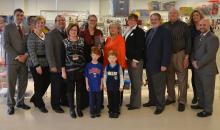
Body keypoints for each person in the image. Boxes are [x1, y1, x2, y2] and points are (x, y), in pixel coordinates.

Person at [143, 13, 172, 115]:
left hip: (159, 64)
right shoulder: (149, 31)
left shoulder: (165, 32)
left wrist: (164, 64)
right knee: (151, 84)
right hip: (149, 64)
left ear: (160, 20)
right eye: (152, 19)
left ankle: (160, 105)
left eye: (155, 19)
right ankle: (152, 101)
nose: (153, 21)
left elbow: (167, 49)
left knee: (159, 86)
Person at [163, 8, 191, 112]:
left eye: (174, 13)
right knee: (169, 77)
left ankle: (182, 101)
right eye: (170, 13)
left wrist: (187, 56)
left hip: (180, 54)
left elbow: (188, 40)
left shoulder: (184, 26)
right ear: (168, 15)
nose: (172, 15)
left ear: (178, 15)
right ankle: (171, 97)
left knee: (182, 78)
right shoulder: (164, 26)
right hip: (167, 55)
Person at [4, 8, 30, 115]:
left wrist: (26, 55)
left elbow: (29, 43)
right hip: (13, 60)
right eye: (18, 15)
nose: (20, 17)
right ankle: (10, 105)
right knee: (11, 84)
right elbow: (6, 45)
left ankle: (20, 102)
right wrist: (17, 56)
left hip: (24, 60)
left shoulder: (26, 28)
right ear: (14, 16)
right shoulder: (8, 27)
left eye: (22, 15)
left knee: (23, 83)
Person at [191, 18, 219, 117]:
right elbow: (193, 51)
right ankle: (201, 104)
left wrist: (198, 64)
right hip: (197, 68)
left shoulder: (213, 38)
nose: (202, 27)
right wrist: (193, 61)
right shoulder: (197, 37)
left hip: (207, 70)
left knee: (208, 90)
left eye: (204, 25)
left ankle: (208, 110)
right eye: (201, 25)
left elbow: (210, 55)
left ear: (209, 26)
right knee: (199, 88)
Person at [61, 23, 86, 118]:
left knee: (79, 90)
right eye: (71, 30)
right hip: (69, 70)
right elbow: (61, 56)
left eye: (75, 30)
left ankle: (78, 108)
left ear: (77, 31)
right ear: (68, 31)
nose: (73, 32)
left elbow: (86, 55)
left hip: (81, 69)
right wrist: (63, 70)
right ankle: (72, 109)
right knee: (70, 90)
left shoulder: (82, 41)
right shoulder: (64, 42)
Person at [80, 14, 104, 109]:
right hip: (86, 60)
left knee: (98, 80)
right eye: (91, 20)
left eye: (94, 20)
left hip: (98, 60)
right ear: (88, 21)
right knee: (87, 81)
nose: (93, 22)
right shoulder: (82, 33)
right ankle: (87, 102)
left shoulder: (99, 32)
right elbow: (81, 47)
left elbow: (101, 47)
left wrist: (102, 43)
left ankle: (99, 103)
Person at [27, 16, 50, 113]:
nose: (41, 25)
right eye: (39, 23)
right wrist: (37, 65)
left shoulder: (45, 34)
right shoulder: (32, 36)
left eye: (42, 23)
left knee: (47, 81)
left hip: (46, 63)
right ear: (35, 24)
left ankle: (35, 97)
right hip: (35, 63)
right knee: (39, 83)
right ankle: (40, 104)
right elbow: (31, 52)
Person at [45, 15, 67, 113]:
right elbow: (49, 51)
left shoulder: (66, 33)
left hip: (64, 65)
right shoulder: (50, 34)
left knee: (63, 85)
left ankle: (64, 101)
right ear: (55, 22)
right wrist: (52, 65)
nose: (62, 22)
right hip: (56, 65)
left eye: (63, 20)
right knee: (56, 87)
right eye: (59, 20)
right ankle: (55, 105)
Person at [124, 13, 145, 110]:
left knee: (136, 82)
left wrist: (135, 60)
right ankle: (132, 102)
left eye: (133, 20)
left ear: (136, 21)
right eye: (129, 20)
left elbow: (140, 47)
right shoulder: (128, 30)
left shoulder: (139, 31)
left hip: (135, 61)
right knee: (132, 82)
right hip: (128, 60)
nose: (131, 21)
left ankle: (136, 104)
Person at [104, 22, 126, 105]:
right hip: (108, 65)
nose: (112, 29)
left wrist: (119, 66)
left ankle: (118, 103)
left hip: (117, 66)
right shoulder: (108, 39)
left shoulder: (120, 38)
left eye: (114, 27)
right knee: (110, 84)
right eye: (110, 27)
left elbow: (121, 53)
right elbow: (106, 51)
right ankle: (111, 102)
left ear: (118, 29)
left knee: (118, 85)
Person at [188, 10, 206, 105]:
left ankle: (203, 97)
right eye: (193, 15)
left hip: (203, 55)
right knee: (194, 77)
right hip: (193, 55)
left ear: (200, 16)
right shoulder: (189, 28)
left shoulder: (205, 25)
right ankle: (196, 95)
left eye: (197, 15)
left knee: (203, 77)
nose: (195, 16)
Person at [103, 50, 124, 118]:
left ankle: (116, 111)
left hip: (116, 87)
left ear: (116, 58)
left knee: (116, 99)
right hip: (109, 87)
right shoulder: (107, 67)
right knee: (110, 99)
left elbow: (121, 77)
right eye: (110, 58)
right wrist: (105, 86)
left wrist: (121, 86)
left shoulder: (118, 67)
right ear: (108, 58)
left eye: (113, 58)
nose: (112, 59)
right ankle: (111, 110)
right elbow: (105, 77)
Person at [84, 46, 103, 118]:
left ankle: (98, 111)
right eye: (93, 55)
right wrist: (87, 85)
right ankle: (92, 112)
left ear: (99, 56)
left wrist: (101, 84)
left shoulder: (100, 65)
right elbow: (86, 76)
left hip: (98, 85)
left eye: (96, 55)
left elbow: (101, 76)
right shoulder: (88, 65)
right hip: (91, 85)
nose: (95, 57)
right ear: (91, 55)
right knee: (91, 100)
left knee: (98, 99)